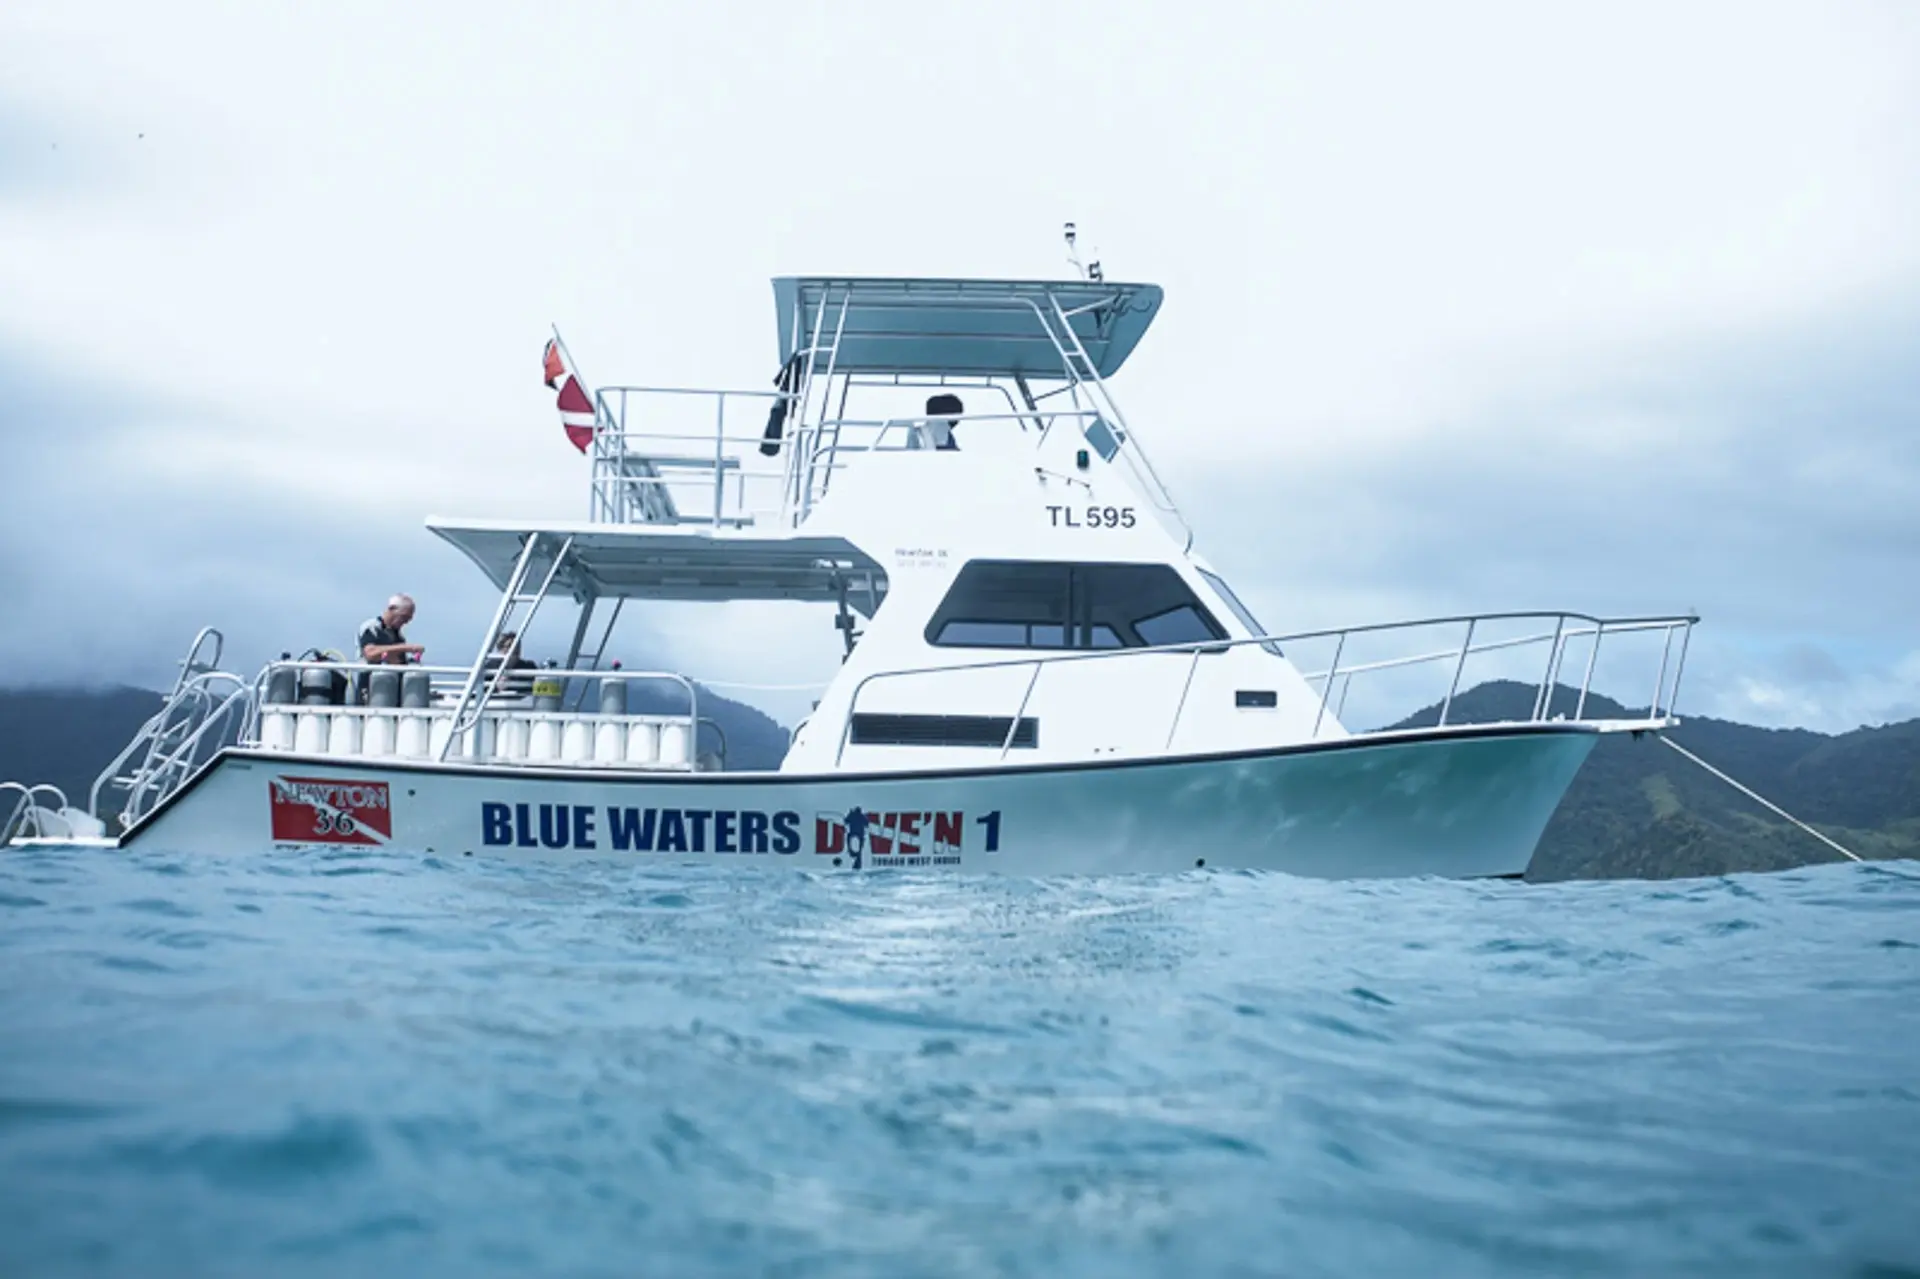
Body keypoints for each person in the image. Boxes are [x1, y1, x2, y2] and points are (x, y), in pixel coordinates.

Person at [481, 630, 537, 699]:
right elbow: (480, 691)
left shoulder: (529, 667)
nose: (515, 648)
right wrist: (496, 687)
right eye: (510, 646)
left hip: (523, 705)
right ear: (500, 649)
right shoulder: (490, 668)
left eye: (517, 645)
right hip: (496, 705)